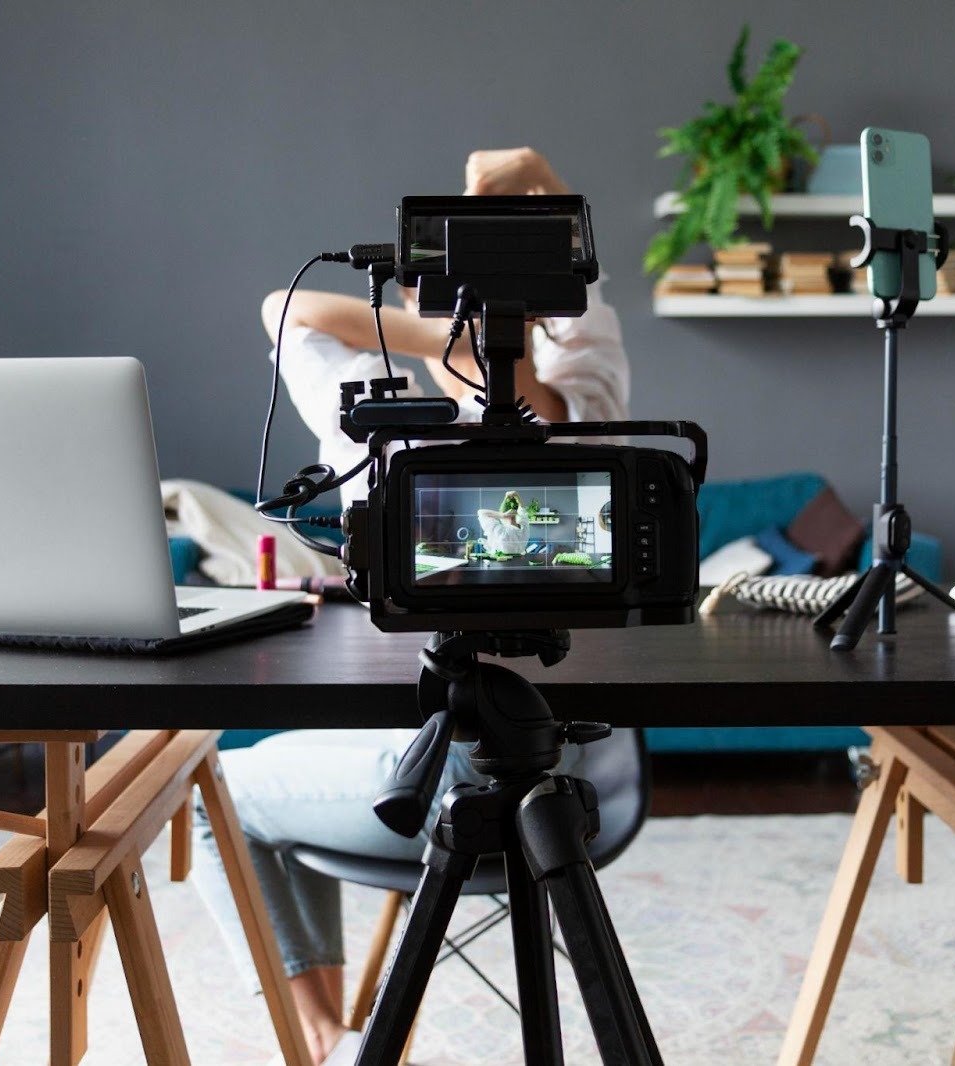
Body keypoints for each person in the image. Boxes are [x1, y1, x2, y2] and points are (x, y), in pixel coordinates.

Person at [191, 147, 630, 1065]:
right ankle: (329, 1040)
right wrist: (439, 337)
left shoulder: (577, 392)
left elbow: (553, 408)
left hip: (500, 754)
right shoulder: (376, 417)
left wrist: (538, 182)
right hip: (496, 743)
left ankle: (317, 1042)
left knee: (218, 791)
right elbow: (284, 310)